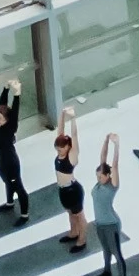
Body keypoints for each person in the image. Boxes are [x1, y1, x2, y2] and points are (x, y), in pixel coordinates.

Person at [91, 134, 127, 276]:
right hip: (100, 223)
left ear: (108, 175)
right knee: (105, 249)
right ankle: (107, 271)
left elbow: (115, 166)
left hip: (111, 224)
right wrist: (105, 140)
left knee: (116, 253)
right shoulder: (100, 183)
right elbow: (103, 158)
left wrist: (117, 146)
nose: (98, 178)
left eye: (101, 176)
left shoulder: (112, 186)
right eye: (97, 176)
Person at [0, 82, 29, 221]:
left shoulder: (10, 127)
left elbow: (15, 111)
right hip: (0, 161)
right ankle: (10, 203)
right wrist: (6, 88)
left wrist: (17, 94)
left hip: (10, 164)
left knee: (18, 187)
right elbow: (2, 104)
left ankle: (24, 215)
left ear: (7, 119)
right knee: (7, 183)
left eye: (1, 119)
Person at [53, 108, 87, 254]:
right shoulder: (60, 150)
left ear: (68, 147)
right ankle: (73, 232)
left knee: (79, 215)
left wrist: (73, 119)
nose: (59, 151)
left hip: (73, 190)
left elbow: (74, 135)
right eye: (57, 149)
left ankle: (82, 240)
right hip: (63, 190)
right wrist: (62, 114)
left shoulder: (72, 156)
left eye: (61, 149)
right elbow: (60, 130)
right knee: (70, 213)